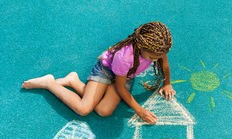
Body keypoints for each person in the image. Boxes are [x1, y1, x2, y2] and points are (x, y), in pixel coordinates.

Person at [22, 21, 175, 124]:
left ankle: (73, 80)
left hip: (124, 76)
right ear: (141, 46)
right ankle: (49, 83)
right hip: (106, 70)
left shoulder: (157, 48)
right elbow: (121, 88)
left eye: (158, 57)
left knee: (103, 110)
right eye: (151, 58)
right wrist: (140, 110)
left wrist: (167, 84)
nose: (155, 60)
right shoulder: (124, 57)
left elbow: (165, 65)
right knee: (83, 109)